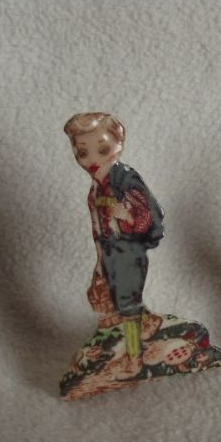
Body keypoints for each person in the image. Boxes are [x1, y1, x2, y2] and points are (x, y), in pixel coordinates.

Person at [63, 112, 164, 378]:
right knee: (112, 298)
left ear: (119, 143)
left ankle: (134, 359)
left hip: (128, 250)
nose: (93, 160)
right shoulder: (96, 188)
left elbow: (147, 214)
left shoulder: (125, 180)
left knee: (127, 305)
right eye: (82, 152)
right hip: (109, 250)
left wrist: (128, 216)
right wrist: (99, 261)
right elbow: (98, 229)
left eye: (103, 149)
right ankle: (149, 323)